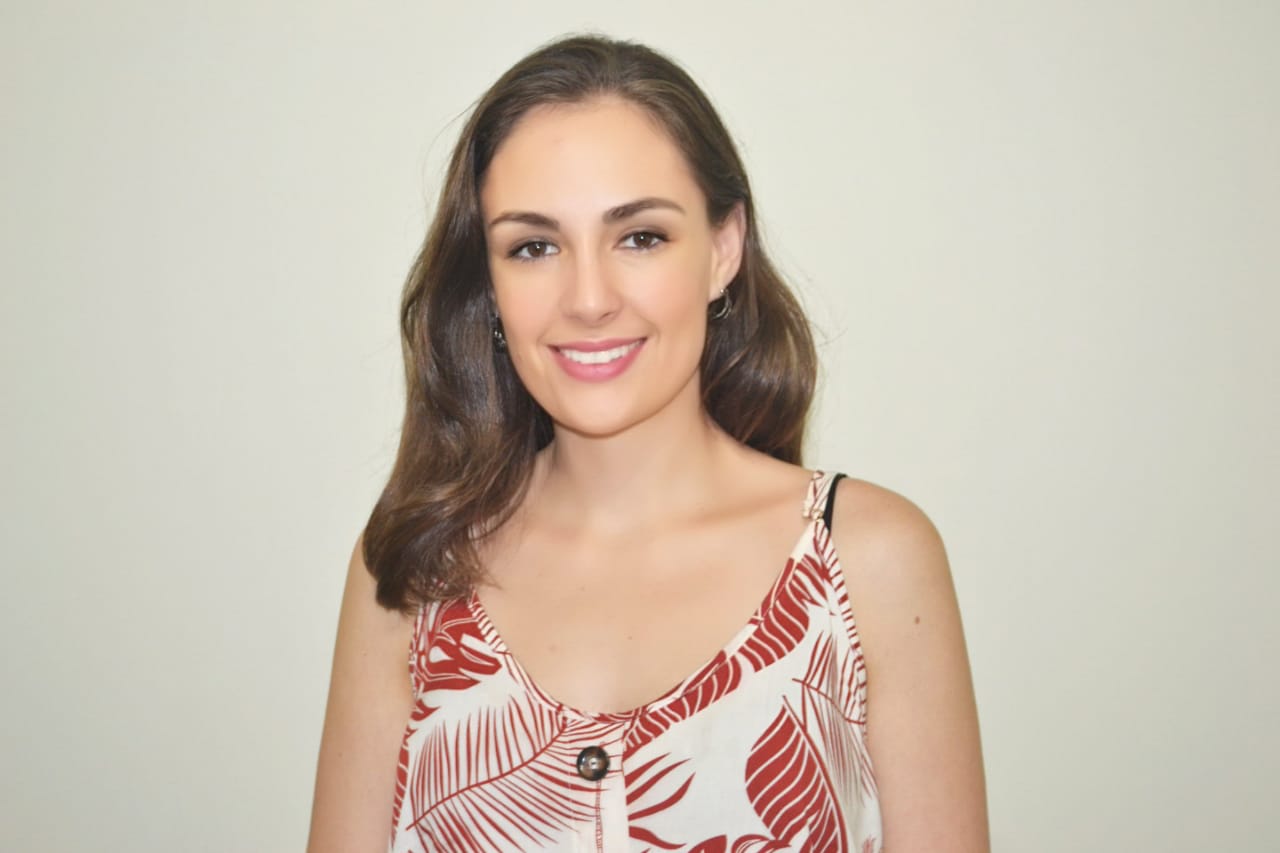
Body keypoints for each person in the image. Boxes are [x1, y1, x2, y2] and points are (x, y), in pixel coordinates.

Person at [308, 34, 988, 853]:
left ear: (724, 249)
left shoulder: (869, 558)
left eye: (640, 237)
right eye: (534, 246)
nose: (589, 298)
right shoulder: (411, 571)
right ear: (488, 284)